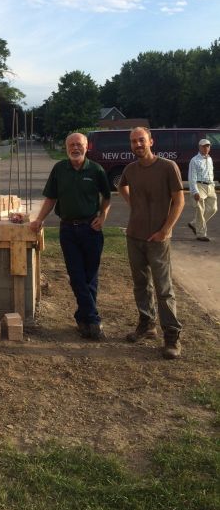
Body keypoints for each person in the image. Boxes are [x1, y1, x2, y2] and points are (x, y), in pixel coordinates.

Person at [30, 132, 111, 340]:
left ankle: (82, 319)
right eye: (71, 145)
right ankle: (93, 319)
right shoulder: (59, 169)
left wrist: (102, 216)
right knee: (77, 277)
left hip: (91, 230)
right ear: (66, 148)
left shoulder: (96, 170)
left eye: (79, 144)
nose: (75, 148)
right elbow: (51, 198)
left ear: (87, 147)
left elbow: (107, 196)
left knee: (90, 277)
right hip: (68, 230)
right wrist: (39, 219)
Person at [118, 127, 184, 359]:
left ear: (151, 141)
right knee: (140, 283)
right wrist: (134, 205)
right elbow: (121, 187)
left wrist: (166, 230)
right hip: (134, 235)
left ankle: (172, 336)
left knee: (163, 288)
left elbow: (179, 201)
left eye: (141, 140)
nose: (138, 144)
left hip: (158, 238)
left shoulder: (167, 167)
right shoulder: (130, 169)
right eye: (134, 141)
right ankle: (147, 325)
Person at [187, 138, 217, 242]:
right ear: (199, 147)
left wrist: (212, 185)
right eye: (204, 146)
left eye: (208, 146)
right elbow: (192, 177)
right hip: (199, 186)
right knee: (200, 210)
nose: (206, 148)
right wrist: (195, 191)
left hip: (210, 186)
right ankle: (201, 234)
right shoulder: (194, 160)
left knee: (213, 209)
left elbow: (211, 173)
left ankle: (195, 223)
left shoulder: (209, 159)